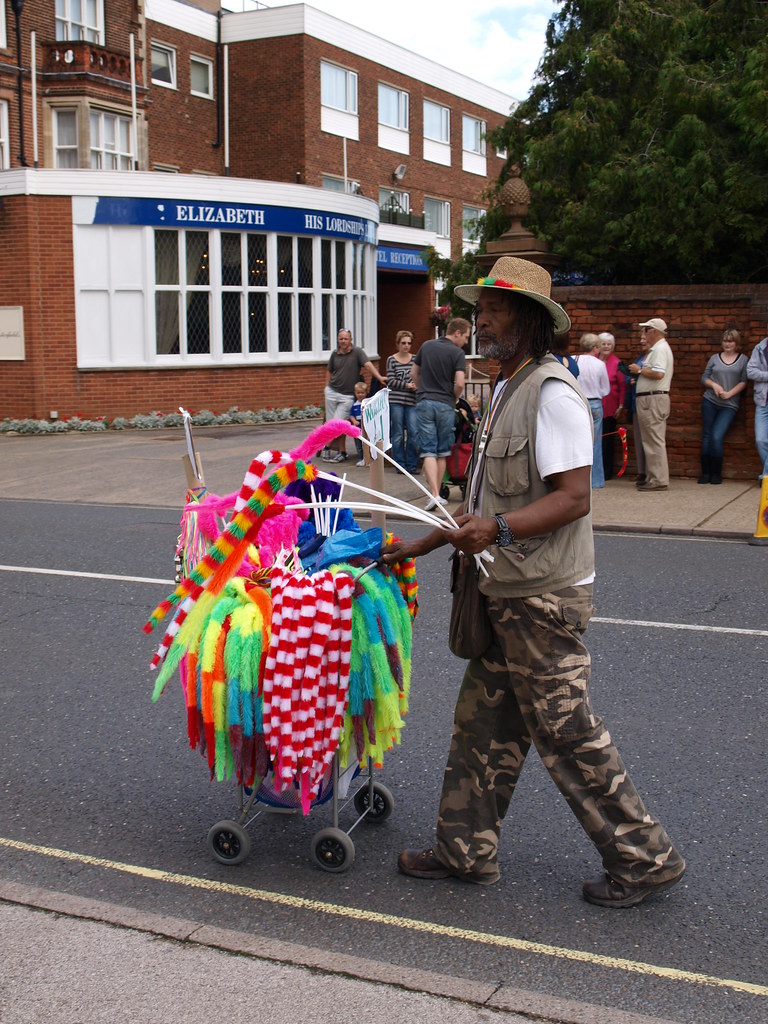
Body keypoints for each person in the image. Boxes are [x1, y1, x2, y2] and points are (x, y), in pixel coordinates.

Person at [382, 255, 685, 909]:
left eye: (491, 309)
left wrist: (500, 533)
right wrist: (425, 542)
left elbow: (574, 498)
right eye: (480, 307)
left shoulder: (553, 394)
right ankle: (464, 851)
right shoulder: (506, 388)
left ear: (525, 319)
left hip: (543, 599)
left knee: (566, 732)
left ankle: (645, 856)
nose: (479, 318)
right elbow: (485, 507)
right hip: (505, 592)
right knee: (482, 725)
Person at [413, 317, 471, 510]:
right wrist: (453, 398)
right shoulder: (457, 353)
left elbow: (414, 372)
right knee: (442, 452)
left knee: (428, 449)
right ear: (457, 333)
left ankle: (435, 495)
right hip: (445, 404)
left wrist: (423, 390)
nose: (466, 342)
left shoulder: (426, 346)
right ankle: (438, 495)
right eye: (465, 337)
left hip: (425, 402)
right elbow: (460, 383)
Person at [323, 328, 386, 462]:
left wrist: (379, 377)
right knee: (331, 424)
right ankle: (341, 451)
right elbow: (329, 370)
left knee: (337, 423)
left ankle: (328, 447)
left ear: (351, 340)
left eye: (346, 338)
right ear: (338, 340)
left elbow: (368, 365)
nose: (343, 341)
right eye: (341, 339)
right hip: (332, 392)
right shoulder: (334, 354)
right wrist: (326, 387)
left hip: (347, 396)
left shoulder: (357, 352)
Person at [629, 318, 674, 491]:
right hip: (651, 398)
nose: (644, 334)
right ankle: (653, 476)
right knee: (651, 439)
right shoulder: (659, 348)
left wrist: (639, 370)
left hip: (653, 399)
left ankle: (658, 479)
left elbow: (658, 373)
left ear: (654, 331)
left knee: (654, 440)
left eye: (646, 330)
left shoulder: (660, 349)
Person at [699, 329, 748, 484]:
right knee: (707, 435)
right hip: (710, 401)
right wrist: (713, 385)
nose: (727, 344)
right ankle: (705, 473)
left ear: (737, 343)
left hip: (729, 404)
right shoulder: (714, 358)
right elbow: (704, 378)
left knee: (716, 436)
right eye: (725, 341)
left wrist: (729, 393)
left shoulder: (743, 360)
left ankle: (716, 473)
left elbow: (744, 381)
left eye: (731, 341)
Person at [575, 333, 610, 489]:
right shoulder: (600, 364)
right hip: (595, 403)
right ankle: (596, 481)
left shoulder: (574, 360)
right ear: (595, 348)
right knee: (595, 442)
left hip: (578, 402)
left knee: (577, 441)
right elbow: (605, 389)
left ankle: (578, 480)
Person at [386, 330, 420, 474]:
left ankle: (412, 464)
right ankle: (400, 465)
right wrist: (407, 385)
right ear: (398, 344)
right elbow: (391, 380)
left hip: (412, 401)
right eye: (403, 343)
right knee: (398, 433)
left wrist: (417, 385)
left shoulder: (415, 359)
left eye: (409, 343)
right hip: (396, 401)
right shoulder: (391, 360)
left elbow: (419, 376)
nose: (406, 346)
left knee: (413, 432)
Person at [598, 332, 627, 481]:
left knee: (607, 441)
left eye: (609, 344)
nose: (606, 346)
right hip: (595, 406)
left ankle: (606, 471)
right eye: (603, 343)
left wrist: (621, 406)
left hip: (610, 407)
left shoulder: (617, 363)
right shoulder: (593, 360)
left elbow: (622, 386)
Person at [747, 331, 768, 479]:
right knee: (760, 440)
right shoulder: (760, 348)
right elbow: (750, 371)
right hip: (762, 401)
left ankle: (766, 476)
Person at [348, 380, 368, 467]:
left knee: (367, 444)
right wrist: (354, 421)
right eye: (358, 393)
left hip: (366, 427)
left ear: (366, 393)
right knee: (359, 444)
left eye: (362, 393)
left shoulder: (368, 403)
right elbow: (351, 415)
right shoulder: (354, 405)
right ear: (355, 393)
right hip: (358, 427)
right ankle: (361, 459)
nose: (360, 395)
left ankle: (368, 459)